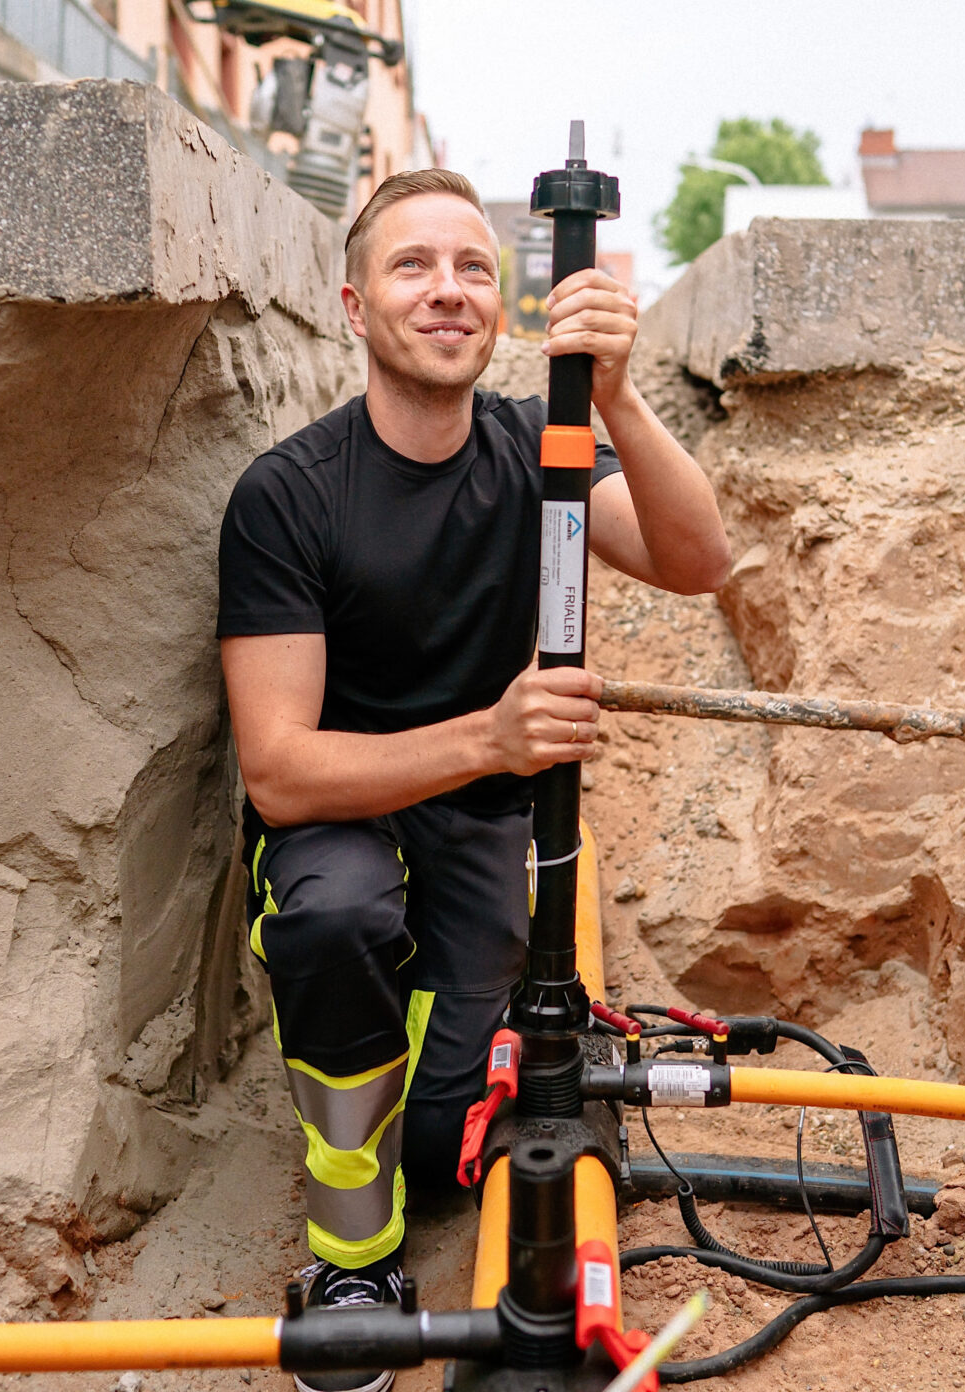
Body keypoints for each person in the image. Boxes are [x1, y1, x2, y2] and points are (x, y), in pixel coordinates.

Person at [216, 169, 730, 1392]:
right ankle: (354, 1258)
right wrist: (491, 738)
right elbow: (281, 772)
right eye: (413, 266)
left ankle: (421, 1087)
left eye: (473, 269)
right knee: (337, 919)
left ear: (501, 308)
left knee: (449, 1146)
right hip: (340, 820)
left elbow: (699, 559)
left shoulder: (536, 448)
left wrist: (618, 402)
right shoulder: (288, 497)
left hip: (492, 828)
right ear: (353, 304)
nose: (448, 290)